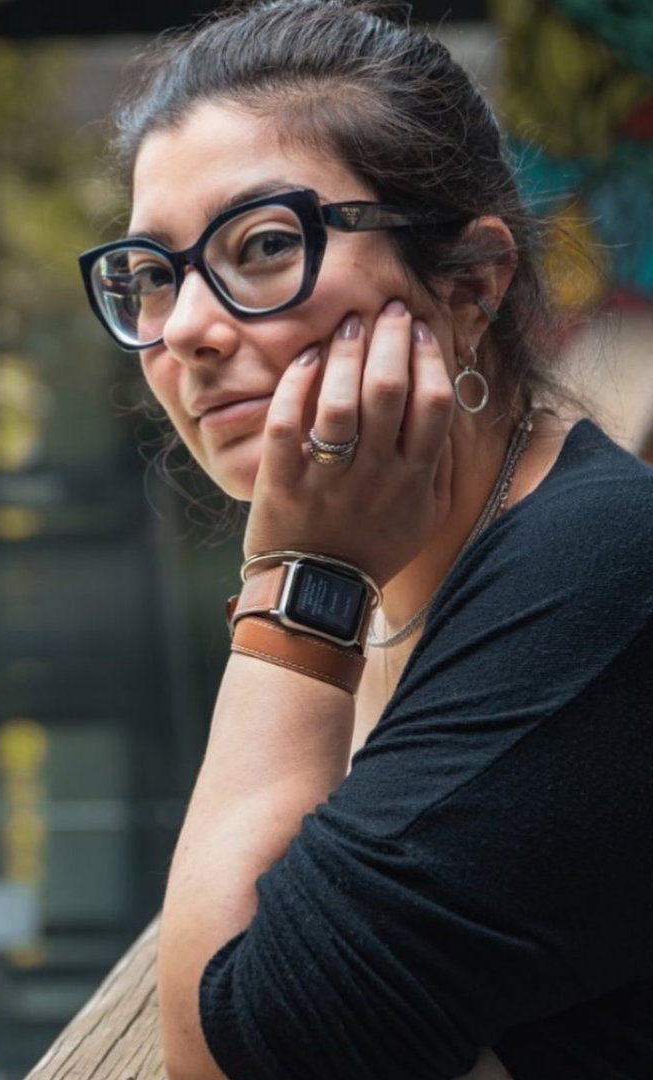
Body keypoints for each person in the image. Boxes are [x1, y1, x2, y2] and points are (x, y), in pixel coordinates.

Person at [76, 1, 653, 1078]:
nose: (185, 329)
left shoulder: (605, 572)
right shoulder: (414, 579)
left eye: (264, 245)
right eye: (153, 274)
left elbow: (233, 1055)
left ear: (470, 283)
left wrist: (301, 578)